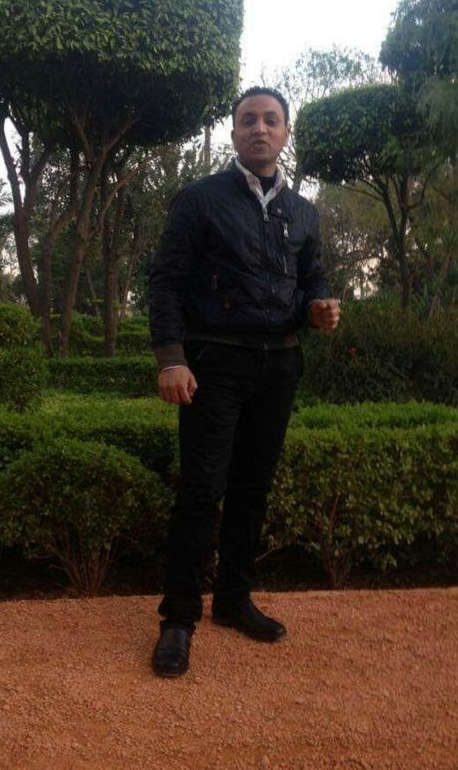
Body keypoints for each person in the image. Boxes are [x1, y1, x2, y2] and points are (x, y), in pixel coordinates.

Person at [148, 86, 340, 678]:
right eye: (248, 120)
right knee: (201, 490)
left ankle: (233, 601)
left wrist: (318, 308)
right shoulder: (200, 200)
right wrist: (171, 358)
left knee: (253, 489)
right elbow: (166, 282)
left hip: (279, 365)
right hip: (216, 364)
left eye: (271, 120)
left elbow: (312, 280)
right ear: (233, 133)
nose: (260, 128)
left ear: (285, 134)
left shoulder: (304, 212)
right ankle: (179, 617)